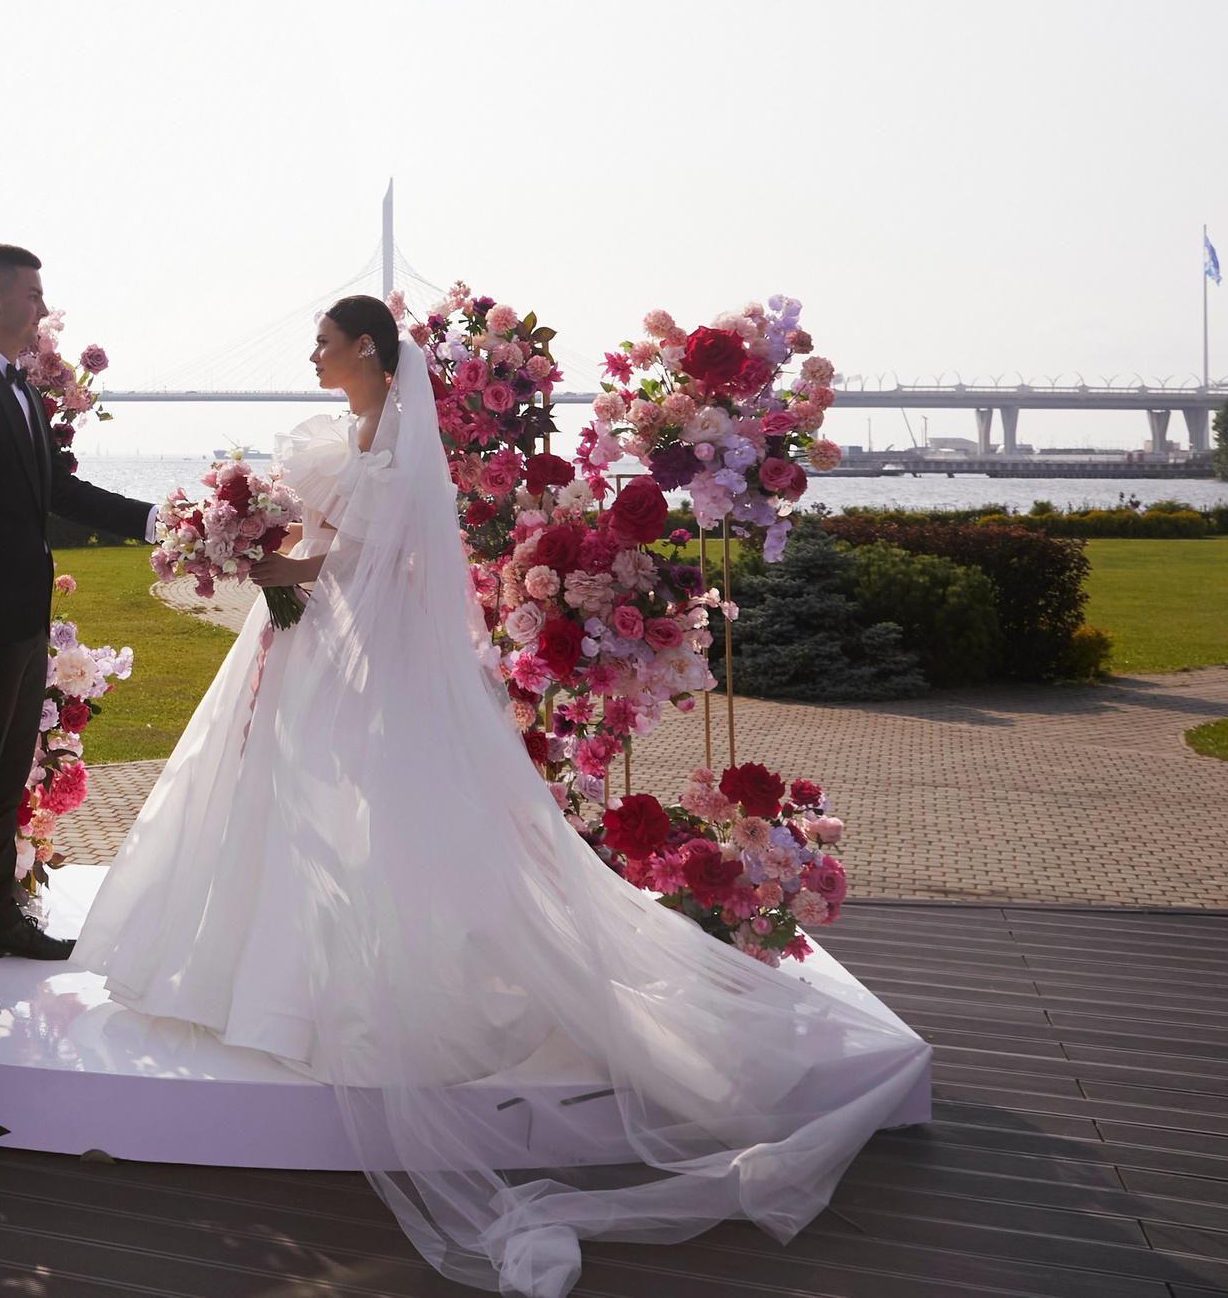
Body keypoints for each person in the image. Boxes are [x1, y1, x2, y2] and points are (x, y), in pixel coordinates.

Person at [73, 296, 930, 1298]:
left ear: (364, 353)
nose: (308, 352)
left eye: (321, 340)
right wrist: (230, 544)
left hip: (356, 671)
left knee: (363, 822)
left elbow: (320, 565)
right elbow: (317, 565)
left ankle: (342, 987)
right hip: (317, 657)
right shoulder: (345, 440)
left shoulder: (387, 461)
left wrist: (224, 549)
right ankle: (274, 982)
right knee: (293, 815)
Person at [0, 244, 157, 967]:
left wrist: (153, 521)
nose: (43, 309)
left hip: (23, 622)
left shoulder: (20, 391)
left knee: (4, 778)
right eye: (33, 295)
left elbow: (57, 493)